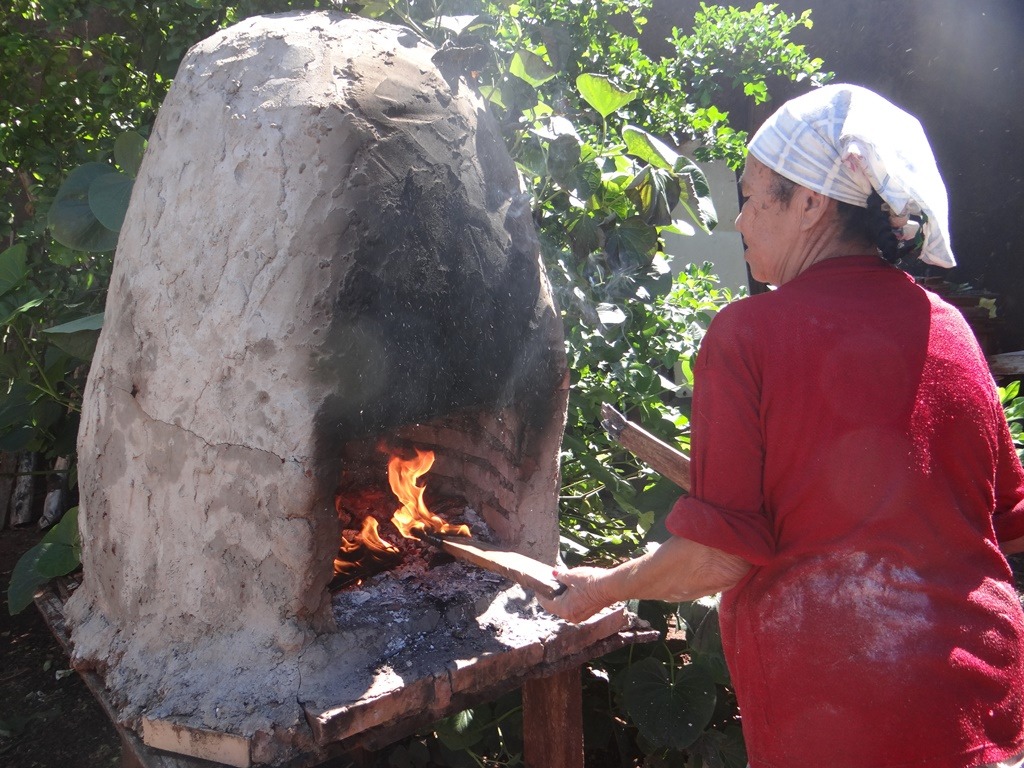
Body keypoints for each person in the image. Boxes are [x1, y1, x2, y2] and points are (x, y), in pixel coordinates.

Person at [539, 83, 1024, 768]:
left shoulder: (749, 335)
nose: (738, 222)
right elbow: (1005, 519)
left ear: (811, 204)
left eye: (750, 196)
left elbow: (720, 557)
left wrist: (600, 588)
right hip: (990, 714)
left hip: (851, 732)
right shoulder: (949, 329)